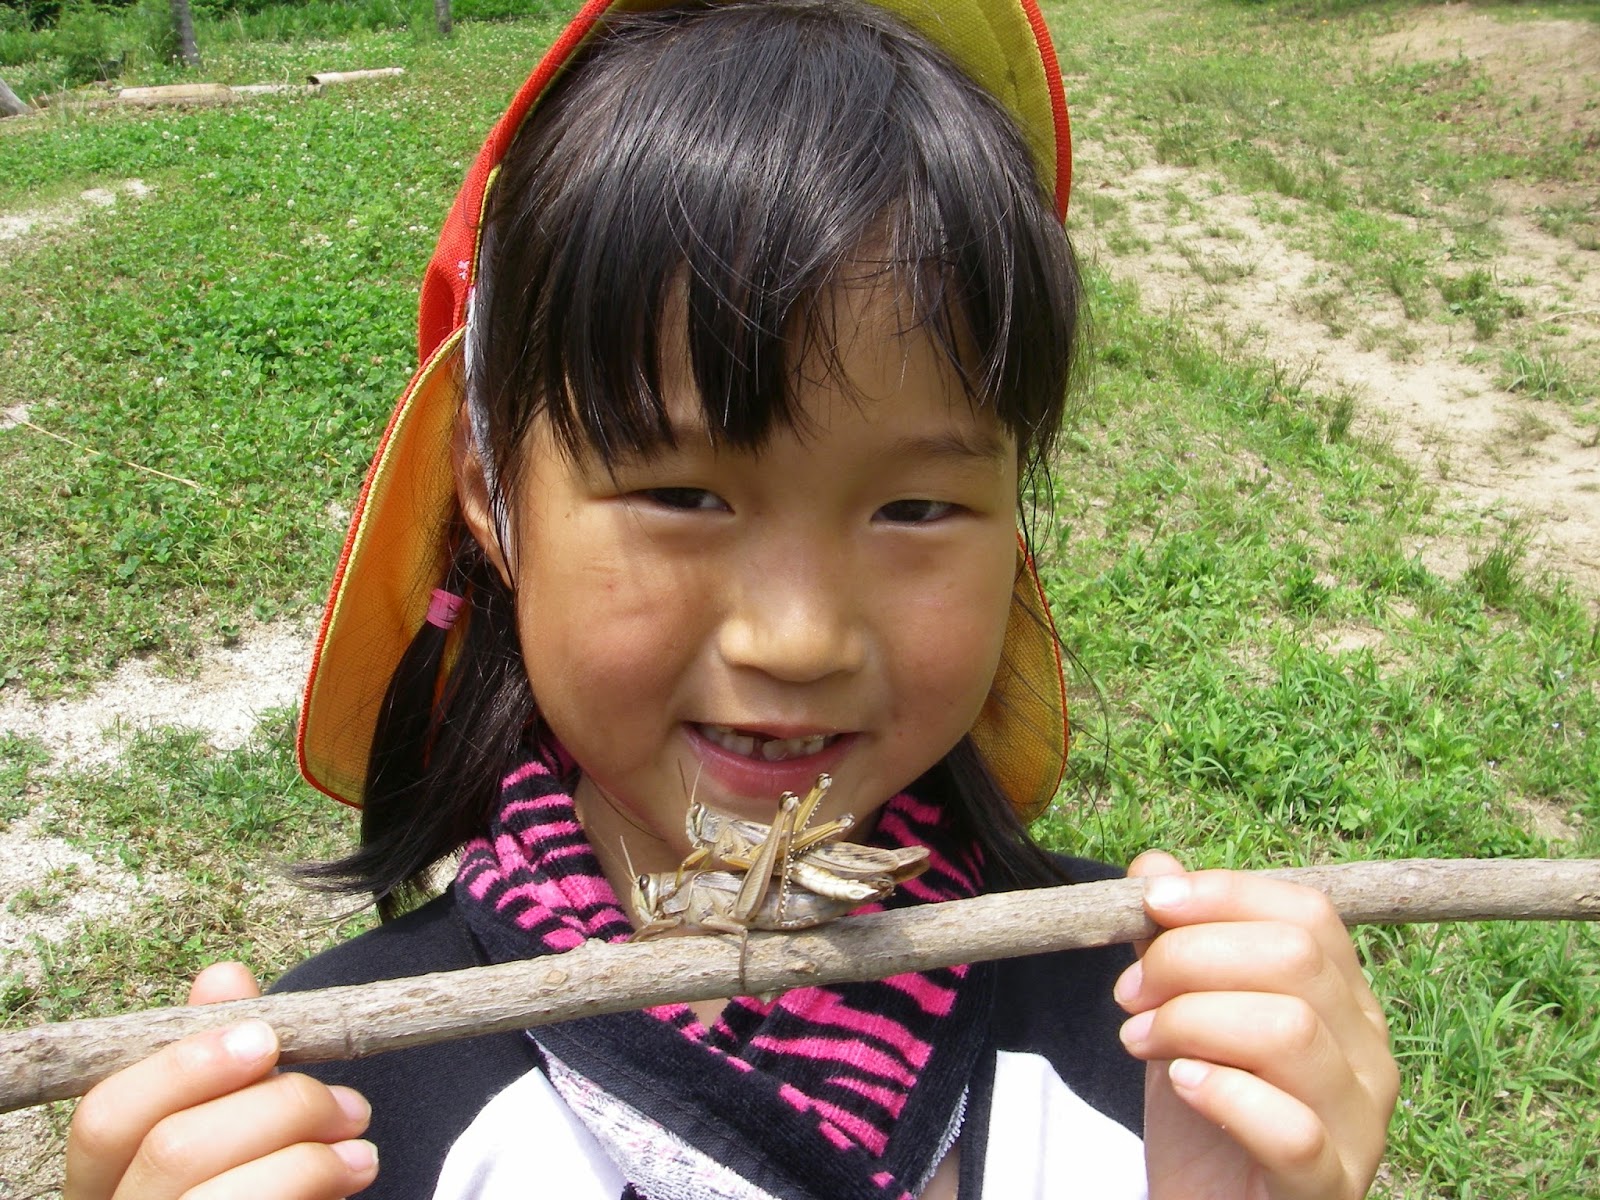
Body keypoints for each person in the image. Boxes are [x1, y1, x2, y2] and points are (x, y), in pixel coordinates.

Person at [61, 0, 1399, 1196]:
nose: (797, 639)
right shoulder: (345, 1116)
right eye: (683, 496)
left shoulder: (1159, 1051)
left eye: (915, 509)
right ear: (490, 494)